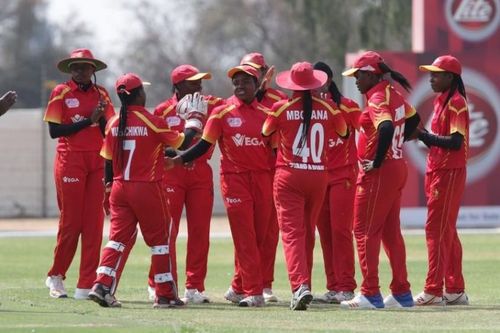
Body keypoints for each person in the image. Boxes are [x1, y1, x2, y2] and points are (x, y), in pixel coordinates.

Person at [166, 65, 276, 307]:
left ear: (256, 86)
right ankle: (254, 292)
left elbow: (277, 147)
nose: (239, 86)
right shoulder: (223, 113)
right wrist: (180, 159)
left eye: (246, 82)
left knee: (259, 237)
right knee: (245, 237)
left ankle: (238, 287)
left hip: (262, 179)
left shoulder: (268, 114)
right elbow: (204, 144)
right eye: (236, 82)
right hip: (234, 179)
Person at [88, 73, 186, 308]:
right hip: (147, 188)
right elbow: (181, 141)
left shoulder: (113, 122)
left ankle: (102, 285)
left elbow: (108, 161)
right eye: (143, 90)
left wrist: (108, 187)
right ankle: (164, 294)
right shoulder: (151, 120)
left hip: (120, 188)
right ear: (139, 94)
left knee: (116, 241)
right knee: (160, 241)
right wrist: (194, 119)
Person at [262, 62, 348, 311]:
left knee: (291, 235)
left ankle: (300, 286)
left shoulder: (281, 108)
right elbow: (344, 134)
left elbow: (265, 132)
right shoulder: (330, 108)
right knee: (308, 233)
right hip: (319, 176)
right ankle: (305, 284)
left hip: (289, 176)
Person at [340, 51, 421, 309]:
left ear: (371, 74)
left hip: (380, 172)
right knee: (390, 233)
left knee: (364, 231)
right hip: (397, 167)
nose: (355, 80)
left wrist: (376, 159)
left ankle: (370, 294)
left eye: (358, 75)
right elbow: (415, 119)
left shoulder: (376, 98)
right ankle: (401, 293)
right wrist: (398, 143)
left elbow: (385, 126)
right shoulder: (393, 94)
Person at [43, 48, 114, 300]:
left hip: (96, 160)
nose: (80, 71)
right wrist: (89, 120)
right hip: (70, 160)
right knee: (71, 222)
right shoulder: (60, 92)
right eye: (75, 67)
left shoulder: (102, 93)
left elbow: (109, 129)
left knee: (94, 223)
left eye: (84, 67)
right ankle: (56, 275)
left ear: (93, 70)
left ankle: (86, 285)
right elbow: (54, 131)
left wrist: (102, 119)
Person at [149, 64, 223, 304]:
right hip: (171, 173)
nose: (199, 86)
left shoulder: (210, 103)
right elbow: (156, 145)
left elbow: (236, 103)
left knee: (200, 232)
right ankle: (160, 281)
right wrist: (177, 155)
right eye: (193, 82)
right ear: (178, 86)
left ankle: (195, 287)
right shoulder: (163, 110)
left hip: (200, 173)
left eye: (200, 82)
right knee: (167, 231)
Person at [413, 55, 469, 306]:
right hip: (437, 170)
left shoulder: (457, 103)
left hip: (449, 172)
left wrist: (424, 136)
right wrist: (425, 136)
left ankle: (434, 290)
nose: (431, 78)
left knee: (436, 230)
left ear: (450, 77)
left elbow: (456, 142)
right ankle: (455, 289)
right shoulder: (440, 101)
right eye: (431, 73)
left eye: (436, 74)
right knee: (447, 230)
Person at [239, 52, 287, 303]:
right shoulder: (238, 99)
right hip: (246, 173)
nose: (250, 76)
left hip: (274, 170)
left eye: (255, 71)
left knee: (269, 232)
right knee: (246, 231)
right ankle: (243, 283)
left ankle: (265, 284)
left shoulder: (278, 99)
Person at [312, 61, 361, 304]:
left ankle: (346, 287)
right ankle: (333, 287)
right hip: (318, 176)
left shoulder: (347, 107)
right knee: (325, 233)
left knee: (340, 230)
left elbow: (368, 128)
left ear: (329, 82)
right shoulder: (306, 109)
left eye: (321, 80)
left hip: (344, 175)